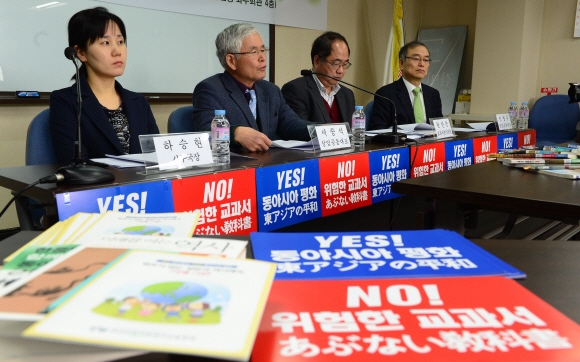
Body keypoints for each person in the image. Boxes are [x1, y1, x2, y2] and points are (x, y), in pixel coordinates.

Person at [50, 7, 159, 163]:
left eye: (120, 42)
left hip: (143, 187)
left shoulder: (139, 102)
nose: (117, 51)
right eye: (105, 42)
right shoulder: (65, 101)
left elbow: (155, 157)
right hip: (98, 187)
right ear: (81, 53)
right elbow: (74, 165)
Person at [192, 23, 315, 152]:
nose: (262, 57)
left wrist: (326, 130)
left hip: (268, 165)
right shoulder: (210, 89)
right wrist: (236, 133)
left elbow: (292, 125)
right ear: (231, 61)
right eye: (254, 52)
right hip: (233, 167)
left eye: (263, 50)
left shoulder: (271, 90)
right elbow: (205, 132)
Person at [281, 32, 355, 124]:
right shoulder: (296, 90)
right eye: (336, 63)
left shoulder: (347, 94)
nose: (341, 71)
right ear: (317, 61)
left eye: (344, 64)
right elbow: (299, 131)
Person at [368, 41, 442, 130]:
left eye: (426, 60)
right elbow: (377, 129)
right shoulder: (385, 94)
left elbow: (440, 128)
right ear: (401, 63)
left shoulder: (433, 94)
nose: (422, 64)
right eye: (416, 59)